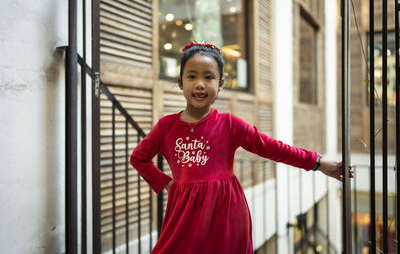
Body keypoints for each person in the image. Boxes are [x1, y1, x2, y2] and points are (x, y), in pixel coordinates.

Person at [130, 42, 354, 254]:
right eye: (191, 76)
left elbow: (273, 148)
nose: (199, 83)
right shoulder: (166, 127)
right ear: (180, 82)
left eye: (208, 77)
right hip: (184, 214)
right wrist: (168, 184)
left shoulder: (230, 125)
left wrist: (319, 163)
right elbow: (139, 158)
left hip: (226, 213)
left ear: (220, 84)